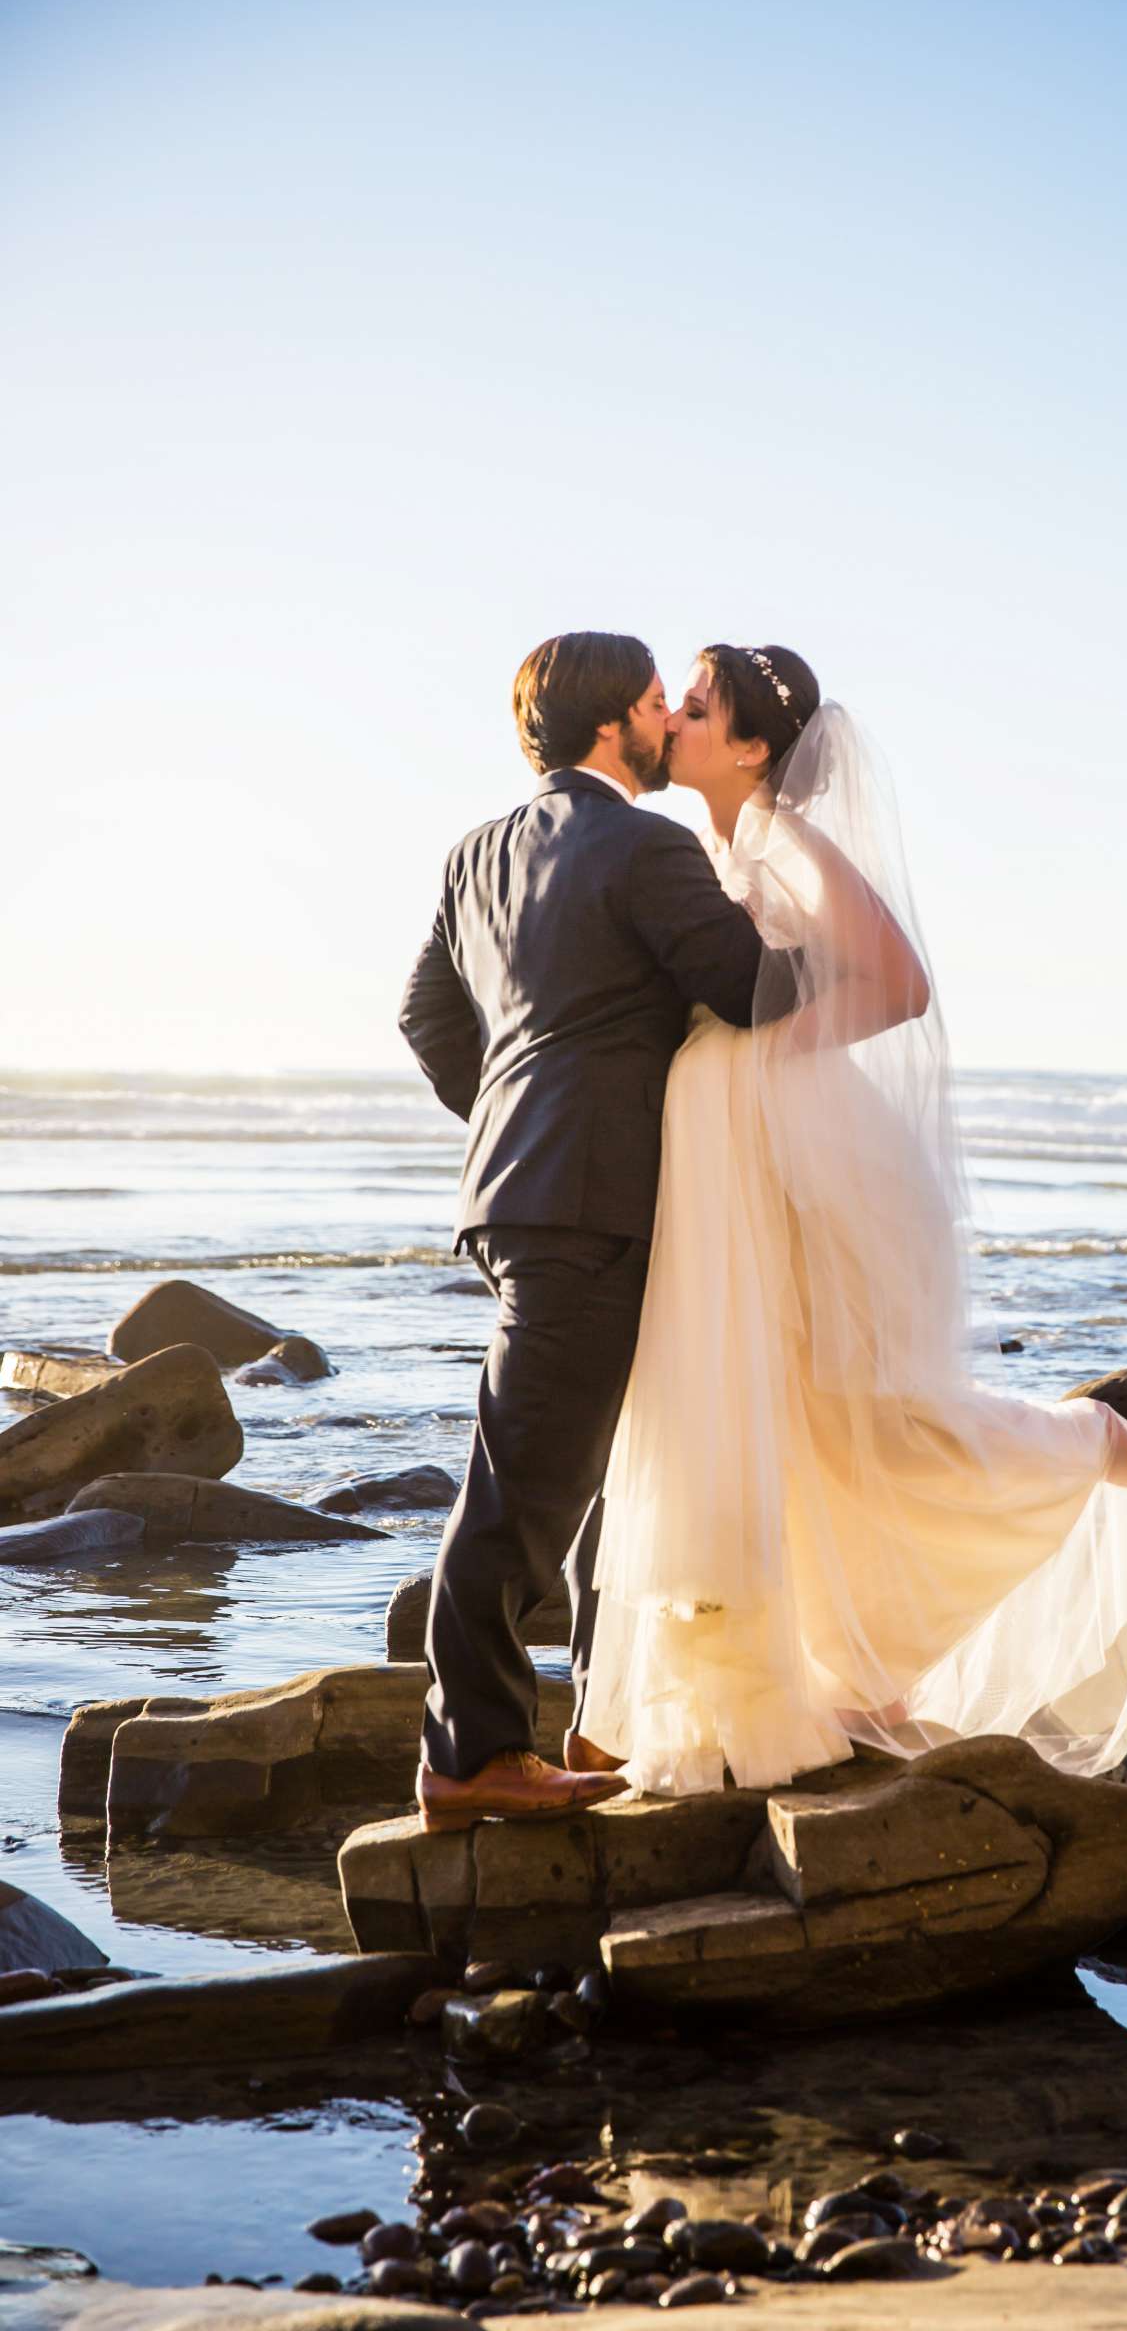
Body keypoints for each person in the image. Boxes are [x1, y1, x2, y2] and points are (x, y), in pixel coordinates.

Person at [569, 645, 1127, 1796]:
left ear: (747, 746)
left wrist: (762, 1058)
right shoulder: (708, 849)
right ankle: (851, 1679)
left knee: (864, 1411)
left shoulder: (785, 839)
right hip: (737, 1167)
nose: (670, 721)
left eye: (694, 708)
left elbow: (898, 982)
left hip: (799, 1161)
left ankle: (1091, 1449)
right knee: (786, 1422)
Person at [398, 630, 776, 1827]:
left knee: (600, 1469)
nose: (671, 722)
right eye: (661, 704)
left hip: (529, 1187)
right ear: (613, 722)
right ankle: (470, 1755)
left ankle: (593, 1716)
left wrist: (512, 1111)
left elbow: (423, 1016)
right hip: (587, 1196)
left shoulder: (477, 854)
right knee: (526, 1481)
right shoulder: (643, 844)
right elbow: (754, 987)